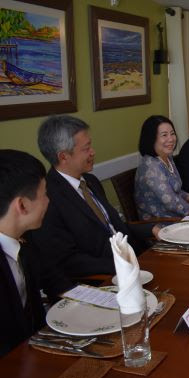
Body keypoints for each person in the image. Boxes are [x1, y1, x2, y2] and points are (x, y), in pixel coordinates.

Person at [30, 115, 160, 279]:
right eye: (86, 149)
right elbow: (68, 261)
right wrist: (123, 265)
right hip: (105, 277)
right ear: (63, 156)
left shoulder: (90, 181)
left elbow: (114, 227)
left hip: (135, 260)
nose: (93, 152)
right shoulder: (48, 199)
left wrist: (152, 229)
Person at [1, 150, 73, 356]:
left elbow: (54, 280)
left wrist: (101, 300)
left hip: (40, 348)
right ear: (22, 205)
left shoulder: (27, 236)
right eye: (44, 194)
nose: (49, 201)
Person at [135, 115, 189, 220]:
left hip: (177, 216)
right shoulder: (150, 167)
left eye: (172, 134)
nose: (171, 139)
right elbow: (171, 202)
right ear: (151, 138)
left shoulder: (167, 157)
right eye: (164, 135)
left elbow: (176, 191)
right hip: (160, 224)